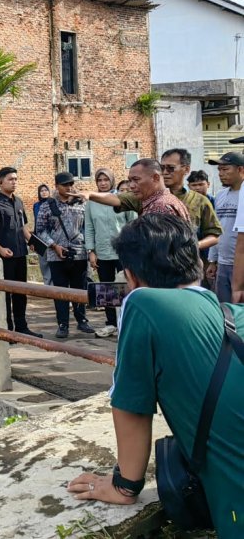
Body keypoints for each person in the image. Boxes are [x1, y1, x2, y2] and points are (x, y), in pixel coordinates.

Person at [67, 215, 244, 538]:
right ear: (199, 263)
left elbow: (131, 403)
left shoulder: (142, 303)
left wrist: (124, 486)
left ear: (131, 276)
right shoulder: (236, 316)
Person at [0, 167, 42, 337]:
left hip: (20, 253)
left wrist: (32, 242)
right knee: (6, 293)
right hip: (5, 257)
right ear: (0, 181)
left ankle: (22, 327)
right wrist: (0, 249)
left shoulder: (19, 202)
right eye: (10, 179)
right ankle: (7, 329)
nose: (14, 182)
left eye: (16, 179)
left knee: (20, 292)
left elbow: (23, 228)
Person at [35, 172, 95, 338]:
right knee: (60, 291)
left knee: (80, 288)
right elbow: (40, 229)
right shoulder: (48, 205)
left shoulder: (81, 203)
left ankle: (82, 320)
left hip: (79, 254)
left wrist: (89, 249)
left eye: (71, 184)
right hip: (56, 255)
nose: (69, 187)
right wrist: (54, 246)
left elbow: (87, 227)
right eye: (65, 185)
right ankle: (63, 324)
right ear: (56, 186)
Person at [85, 168, 136, 337]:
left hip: (123, 252)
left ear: (112, 181)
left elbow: (133, 224)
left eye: (106, 180)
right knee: (106, 289)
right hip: (102, 252)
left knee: (127, 287)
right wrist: (91, 251)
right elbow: (89, 227)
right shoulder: (91, 202)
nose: (103, 183)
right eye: (99, 180)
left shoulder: (120, 199)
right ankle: (111, 324)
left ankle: (127, 322)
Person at [83, 159, 190, 220]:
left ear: (156, 178)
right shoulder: (153, 200)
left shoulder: (161, 207)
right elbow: (116, 199)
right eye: (130, 180)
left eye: (136, 180)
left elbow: (162, 253)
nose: (131, 185)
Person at [159, 149, 221, 252]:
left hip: (188, 262)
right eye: (162, 168)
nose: (165, 172)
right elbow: (123, 200)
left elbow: (214, 235)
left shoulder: (200, 201)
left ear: (186, 169)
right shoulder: (149, 196)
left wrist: (194, 246)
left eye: (171, 168)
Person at [206, 153, 244, 303]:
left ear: (240, 169)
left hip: (240, 264)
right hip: (223, 264)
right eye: (219, 170)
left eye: (225, 169)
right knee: (225, 310)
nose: (221, 174)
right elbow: (217, 229)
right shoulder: (221, 196)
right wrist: (213, 260)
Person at [33, 184, 52, 286]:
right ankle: (47, 285)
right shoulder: (36, 205)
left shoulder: (53, 203)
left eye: (46, 190)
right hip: (40, 237)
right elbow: (36, 222)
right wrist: (34, 240)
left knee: (53, 262)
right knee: (43, 263)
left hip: (52, 237)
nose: (44, 192)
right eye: (42, 191)